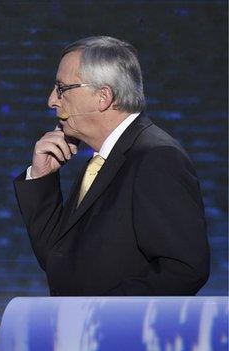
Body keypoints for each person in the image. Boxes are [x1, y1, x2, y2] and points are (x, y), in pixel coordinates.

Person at [14, 36, 209, 295]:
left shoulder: (157, 158)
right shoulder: (100, 162)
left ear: (103, 97)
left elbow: (183, 269)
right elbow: (58, 260)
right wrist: (42, 178)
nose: (52, 100)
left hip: (117, 334)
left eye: (61, 89)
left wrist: (102, 316)